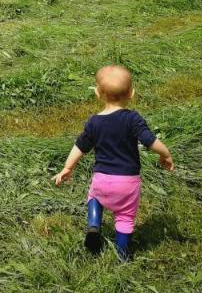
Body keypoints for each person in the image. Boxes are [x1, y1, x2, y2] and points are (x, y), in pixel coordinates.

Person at [51, 65, 174, 260]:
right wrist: (165, 154)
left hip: (102, 180)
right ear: (132, 93)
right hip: (127, 183)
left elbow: (80, 147)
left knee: (94, 198)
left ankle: (94, 224)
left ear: (98, 93)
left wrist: (67, 167)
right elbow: (150, 140)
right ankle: (123, 256)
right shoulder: (133, 119)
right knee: (125, 217)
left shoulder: (94, 122)